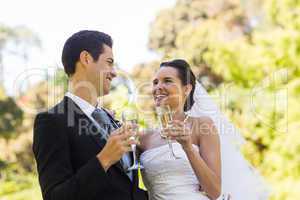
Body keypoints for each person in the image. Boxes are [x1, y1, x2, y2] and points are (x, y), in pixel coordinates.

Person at [32, 30, 148, 200]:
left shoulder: (112, 121)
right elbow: (54, 196)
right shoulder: (51, 122)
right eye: (109, 62)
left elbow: (126, 188)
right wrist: (104, 159)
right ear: (86, 58)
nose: (114, 72)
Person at [139, 59, 269, 200]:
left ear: (187, 89)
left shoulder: (202, 126)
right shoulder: (144, 138)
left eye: (167, 81)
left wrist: (188, 147)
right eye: (155, 82)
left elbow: (215, 192)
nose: (158, 87)